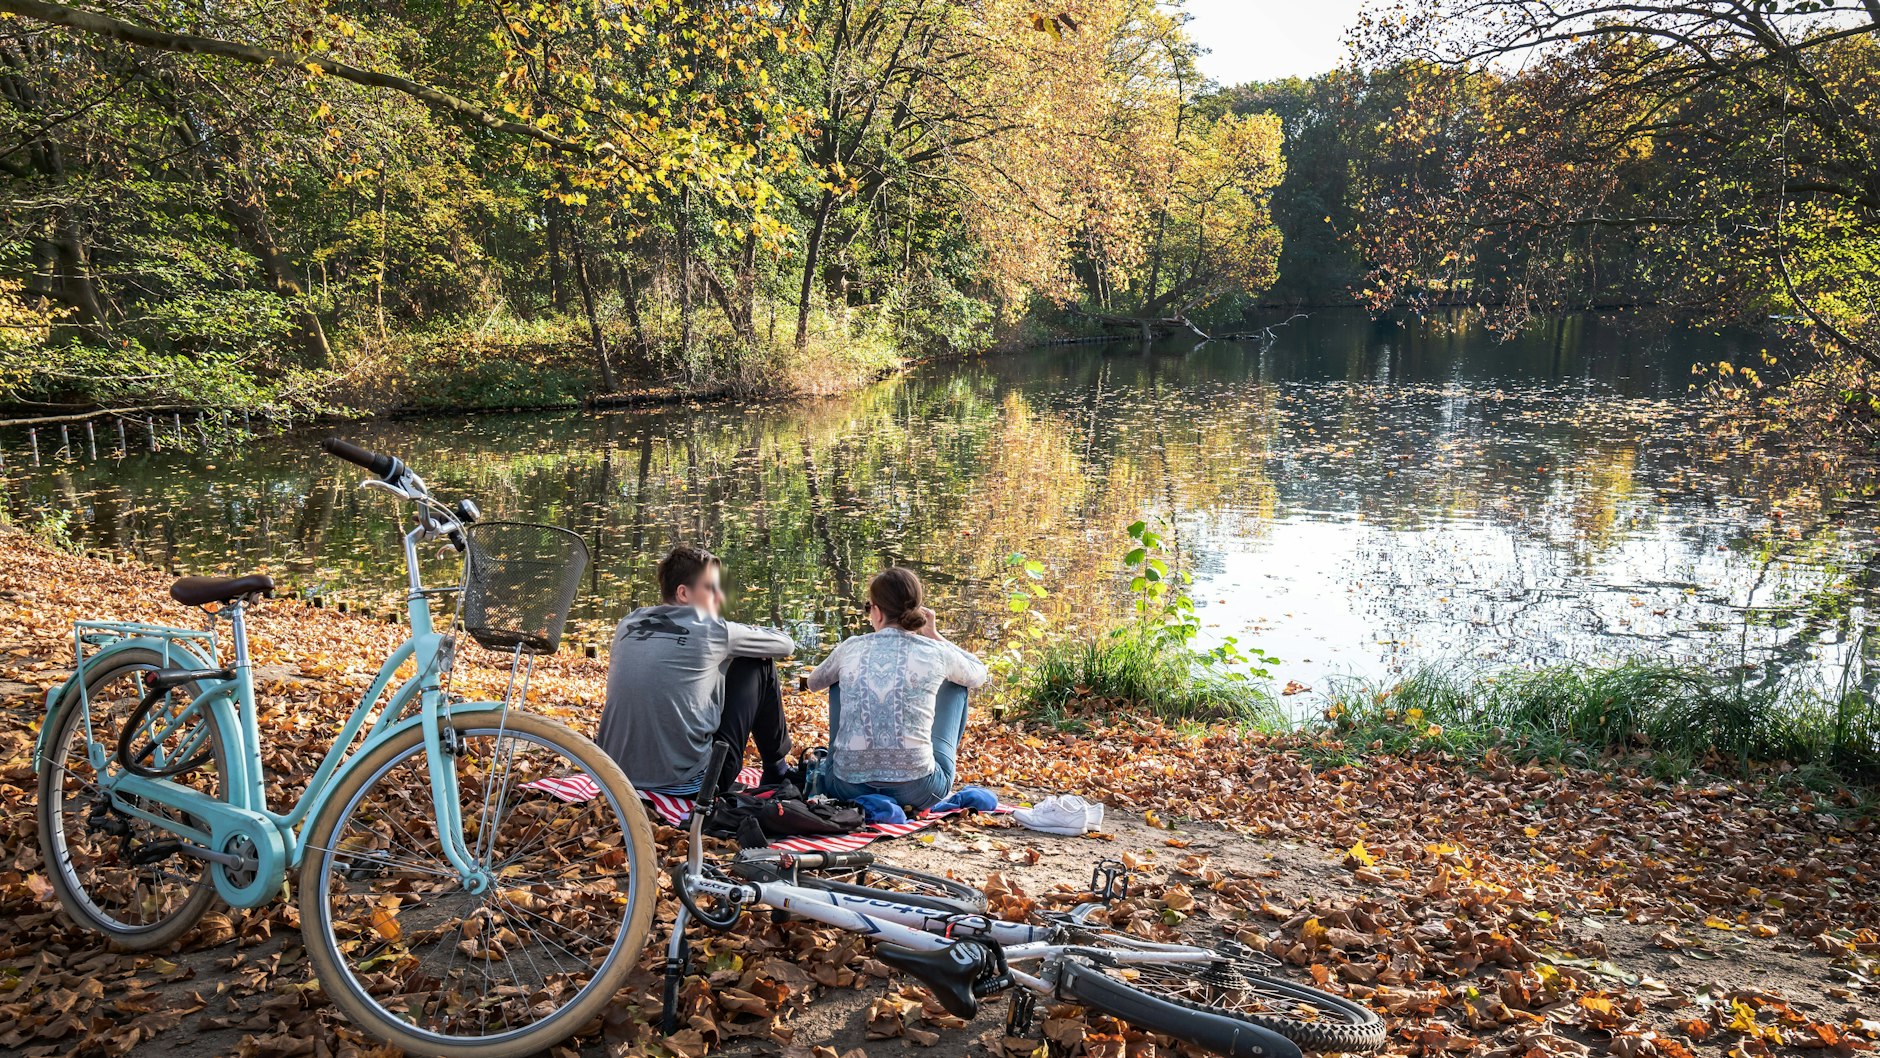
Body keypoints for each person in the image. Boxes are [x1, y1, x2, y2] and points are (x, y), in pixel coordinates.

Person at [597, 544, 796, 796]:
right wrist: (747, 641)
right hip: (691, 784)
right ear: (683, 593)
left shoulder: (628, 622)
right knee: (757, 663)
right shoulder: (711, 628)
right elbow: (786, 645)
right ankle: (776, 770)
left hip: (614, 775)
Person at [807, 567, 988, 812]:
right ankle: (919, 766)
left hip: (845, 786)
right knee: (958, 683)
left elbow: (813, 683)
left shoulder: (851, 647)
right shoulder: (936, 652)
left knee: (837, 679)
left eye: (867, 607)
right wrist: (934, 635)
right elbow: (978, 673)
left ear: (877, 611)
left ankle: (854, 761)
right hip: (920, 789)